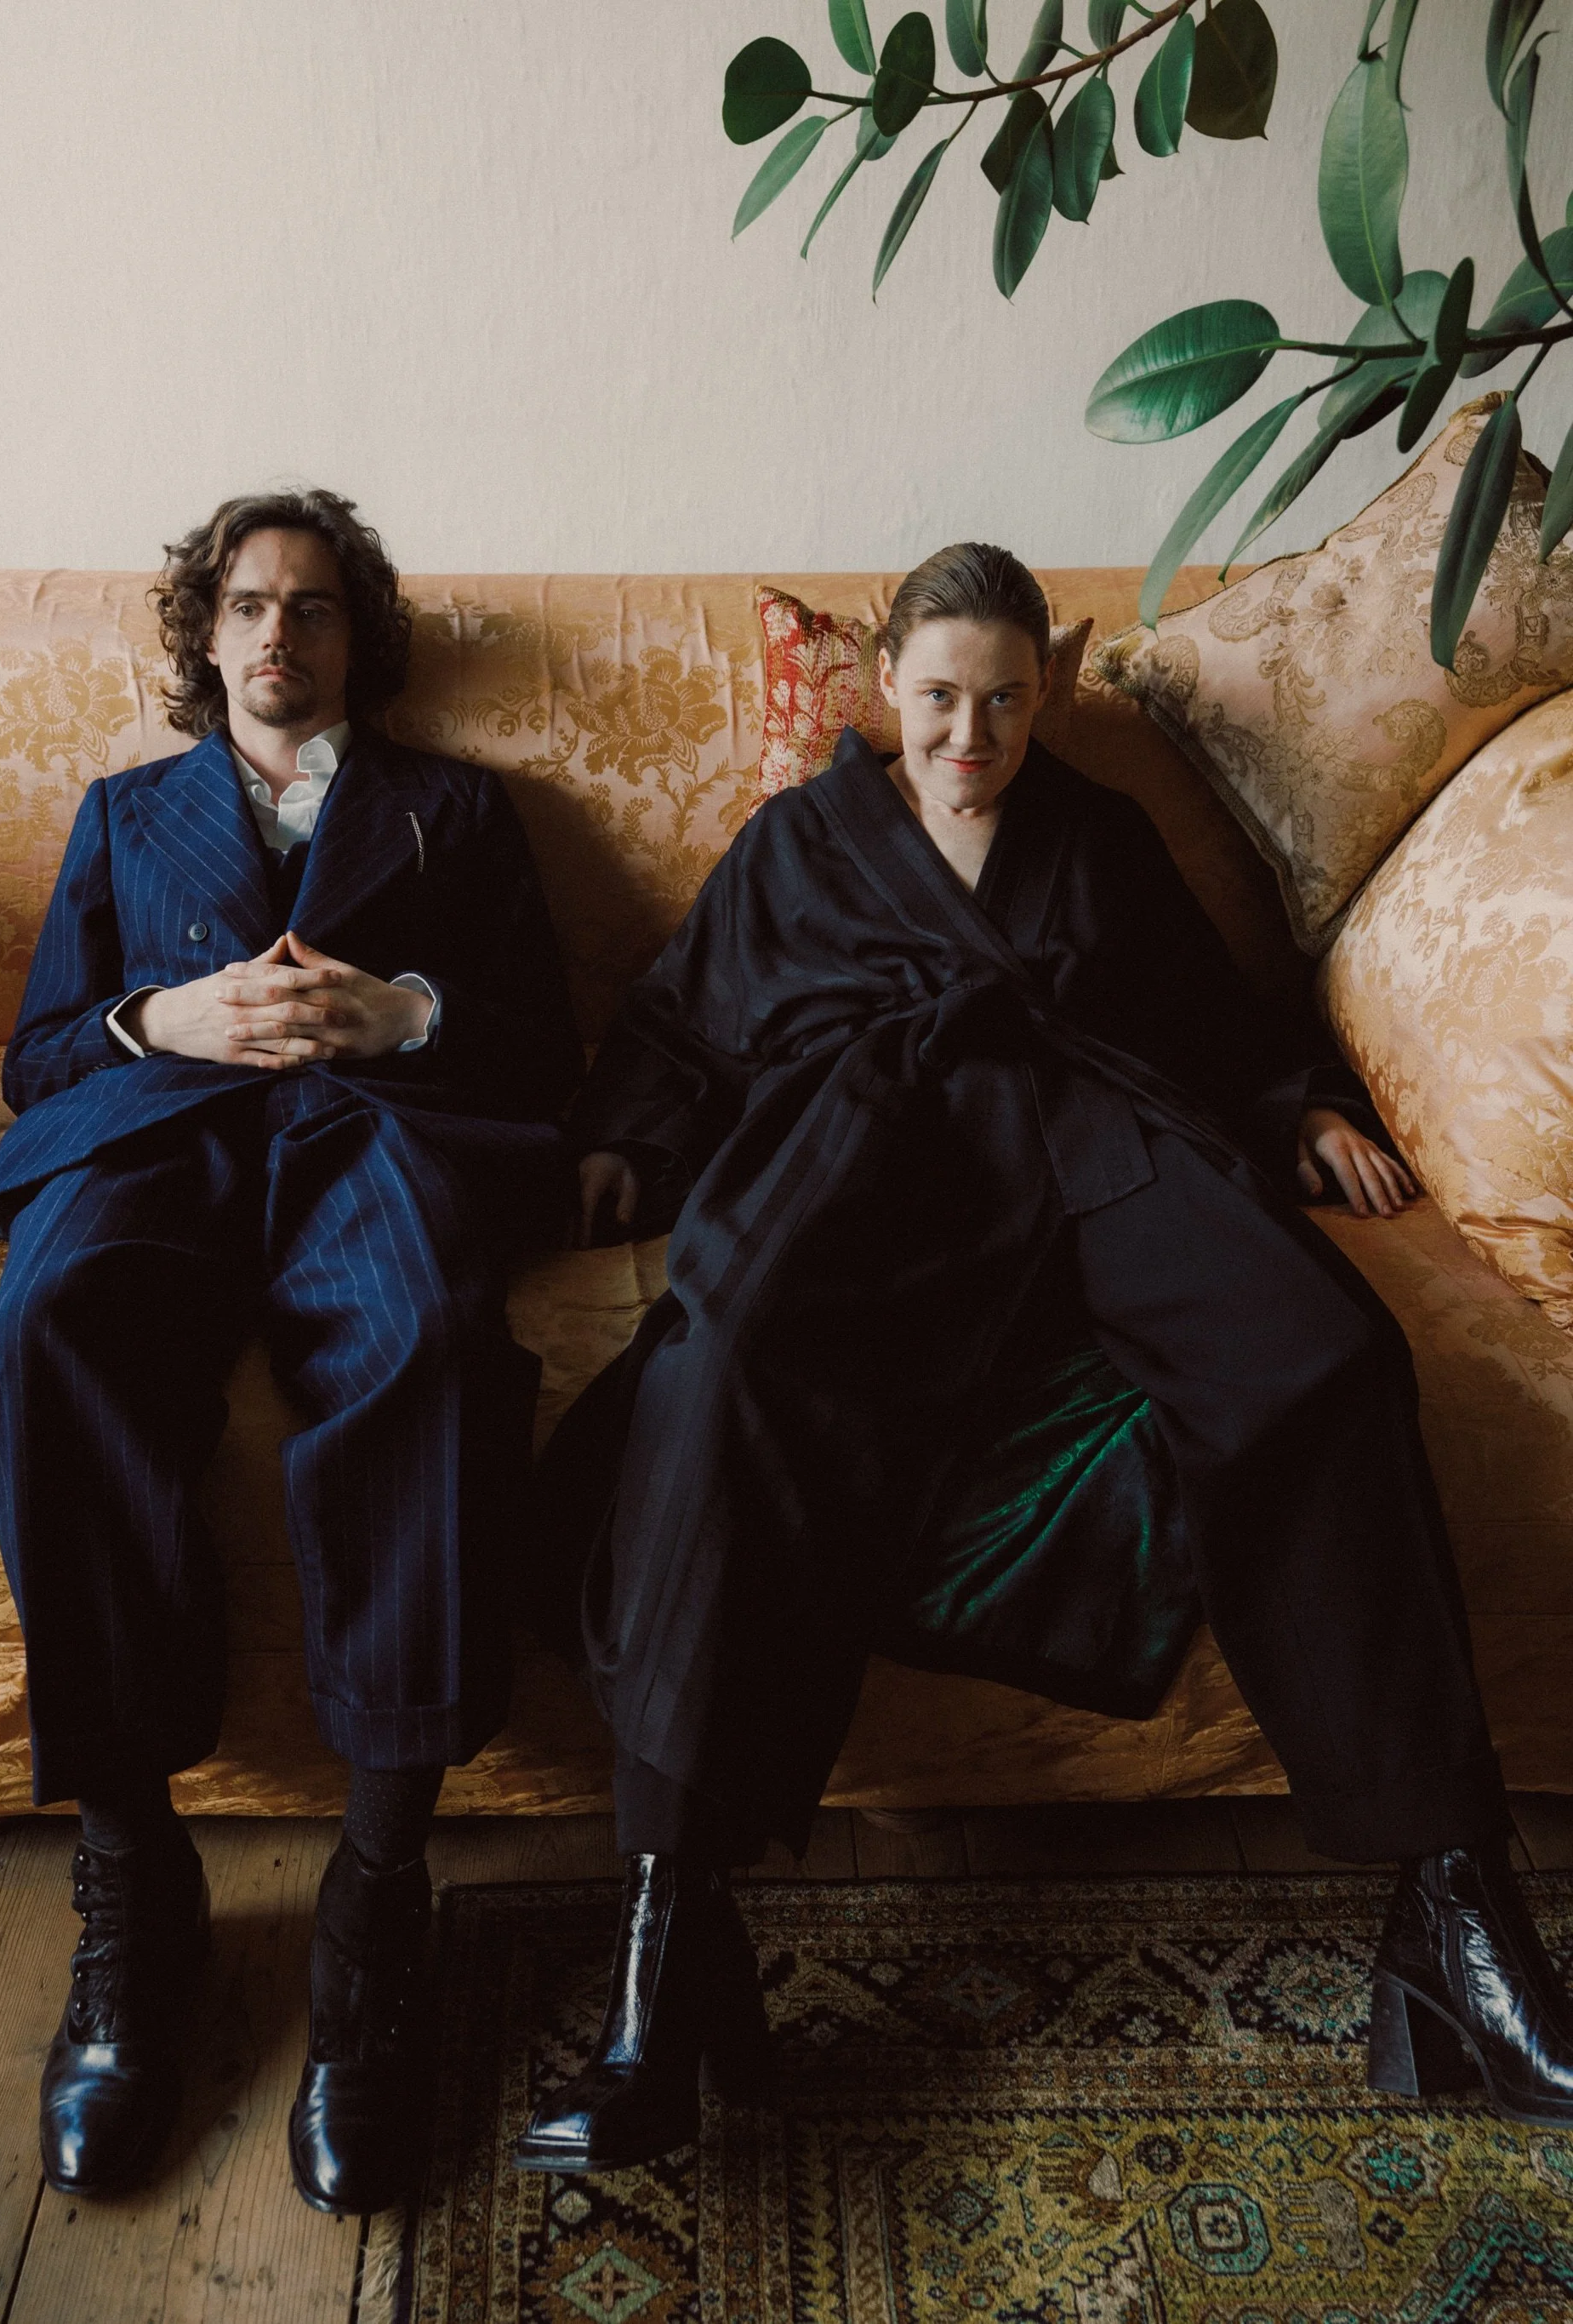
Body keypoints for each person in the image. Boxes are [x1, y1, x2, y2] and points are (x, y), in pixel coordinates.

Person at [513, 542, 1573, 2176]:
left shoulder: (1098, 835)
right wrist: (627, 1142)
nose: (969, 736)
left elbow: (1212, 1019)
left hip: (1097, 1145)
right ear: (884, 684)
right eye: (939, 699)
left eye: (1005, 701)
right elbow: (679, 1019)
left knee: (1331, 1355)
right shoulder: (796, 848)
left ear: (1050, 685)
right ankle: (674, 1941)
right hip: (870, 1170)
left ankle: (1456, 1910)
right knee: (716, 1376)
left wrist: (1294, 1106)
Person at [0, 488, 582, 2213]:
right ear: (203, 634)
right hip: (164, 1127)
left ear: (358, 636)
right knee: (52, 1326)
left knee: (436, 1346)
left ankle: (376, 1905)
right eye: (246, 607)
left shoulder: (459, 813)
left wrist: (408, 1010)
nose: (278, 636)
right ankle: (132, 1885)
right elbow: (39, 1054)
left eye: (310, 607)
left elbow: (543, 1042)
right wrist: (167, 1015)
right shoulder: (125, 815)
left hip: (373, 1128)